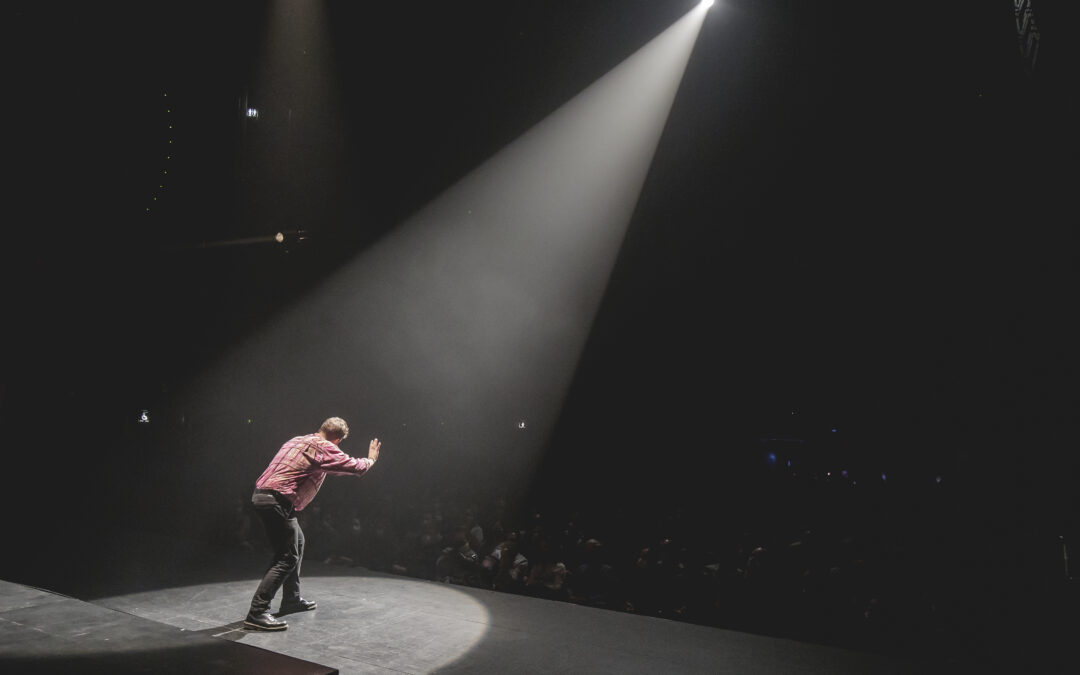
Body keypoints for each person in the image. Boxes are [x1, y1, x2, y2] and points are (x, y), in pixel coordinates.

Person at [244, 417, 381, 631]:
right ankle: (257, 612)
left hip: (262, 495)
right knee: (287, 557)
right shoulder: (324, 447)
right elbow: (354, 467)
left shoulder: (297, 440)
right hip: (277, 501)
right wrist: (371, 459)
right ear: (338, 439)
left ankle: (291, 599)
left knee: (297, 541)